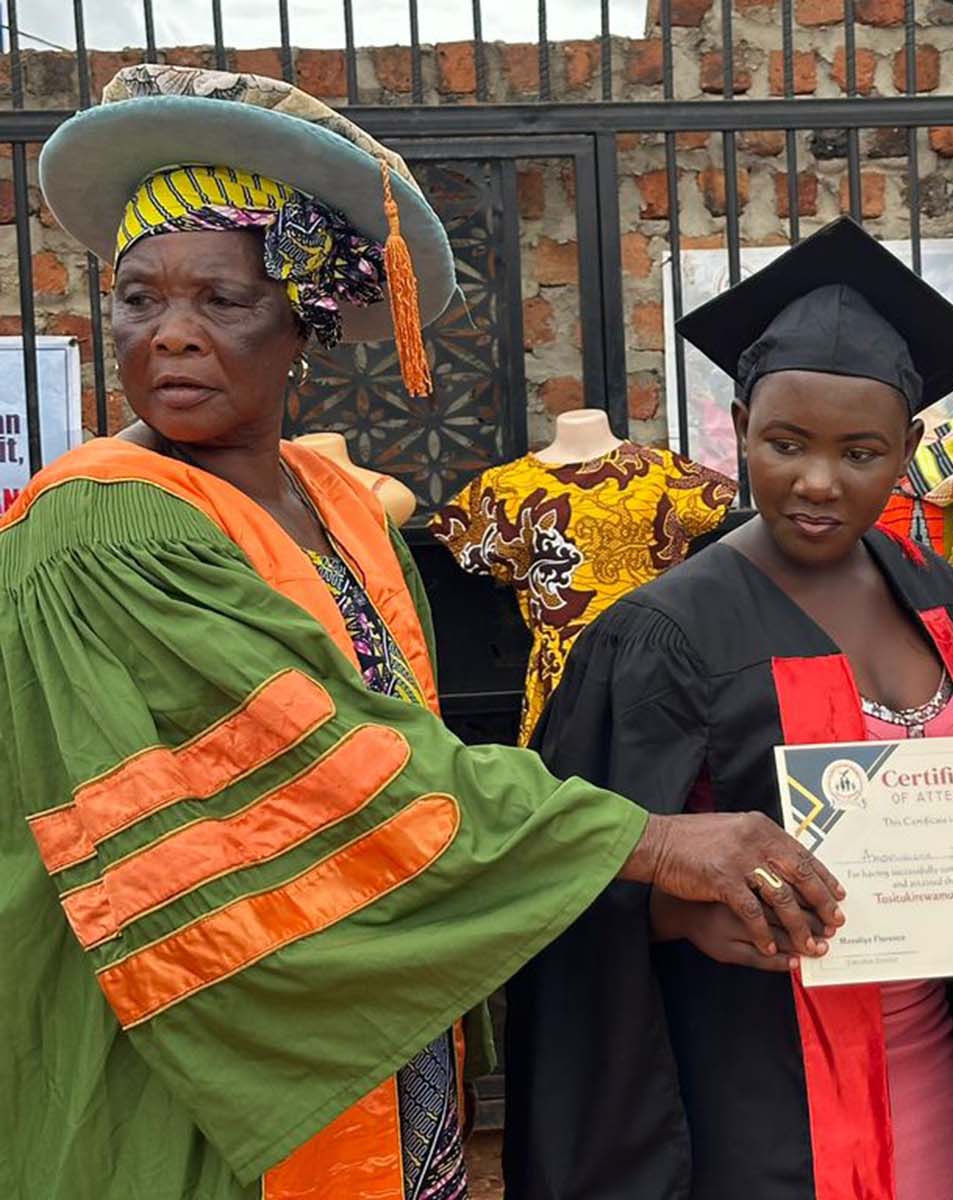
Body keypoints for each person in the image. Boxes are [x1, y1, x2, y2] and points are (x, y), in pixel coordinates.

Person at [0, 65, 842, 1200]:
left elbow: (407, 796)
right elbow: (334, 780)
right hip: (194, 1048)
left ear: (307, 318)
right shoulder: (103, 528)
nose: (173, 337)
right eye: (139, 299)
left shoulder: (342, 508)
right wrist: (646, 844)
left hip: (377, 1040)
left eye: (224, 300)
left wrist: (646, 903)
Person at [503, 218, 953, 1200]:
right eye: (785, 444)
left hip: (935, 1065)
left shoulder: (935, 593)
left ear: (909, 449)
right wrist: (681, 917)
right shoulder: (663, 637)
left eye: (860, 453)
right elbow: (561, 868)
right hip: (759, 1099)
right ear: (739, 424)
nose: (817, 482)